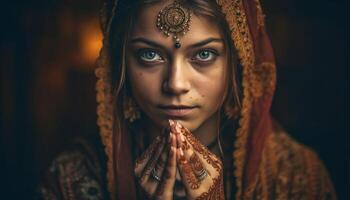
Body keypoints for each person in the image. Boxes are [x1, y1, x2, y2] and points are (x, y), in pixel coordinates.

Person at [38, 0, 337, 199]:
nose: (176, 84)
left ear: (238, 64)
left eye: (204, 54)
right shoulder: (72, 178)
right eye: (150, 54)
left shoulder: (295, 176)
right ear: (121, 65)